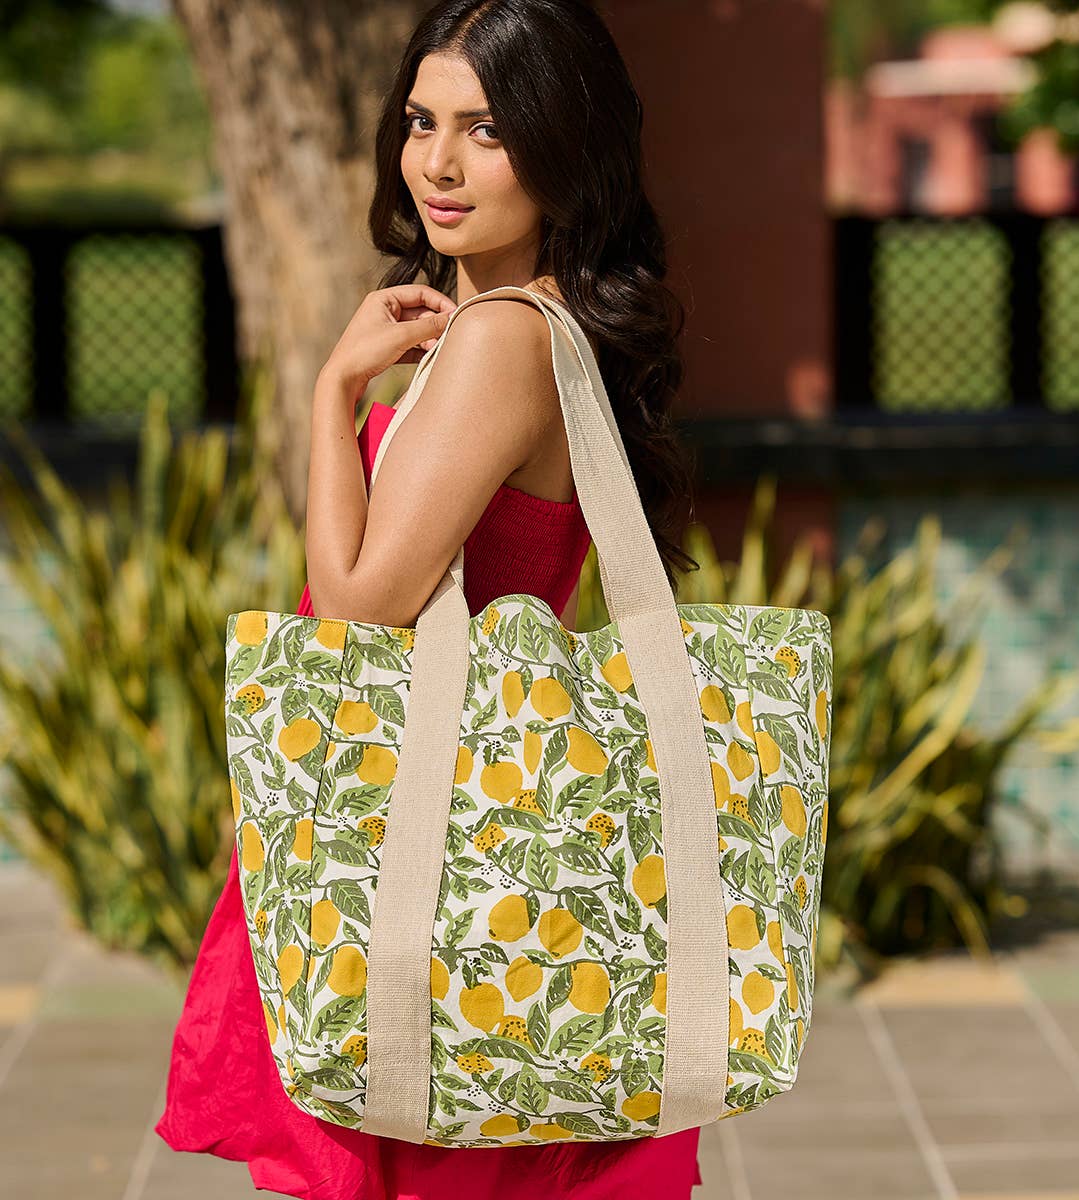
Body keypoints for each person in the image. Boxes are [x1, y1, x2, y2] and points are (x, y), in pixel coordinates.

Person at [156, 1, 706, 1197]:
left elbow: (356, 611)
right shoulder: (527, 328)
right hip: (467, 835)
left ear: (566, 146)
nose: (439, 164)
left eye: (488, 130)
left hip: (430, 854)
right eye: (421, 121)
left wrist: (329, 392)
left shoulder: (507, 337)